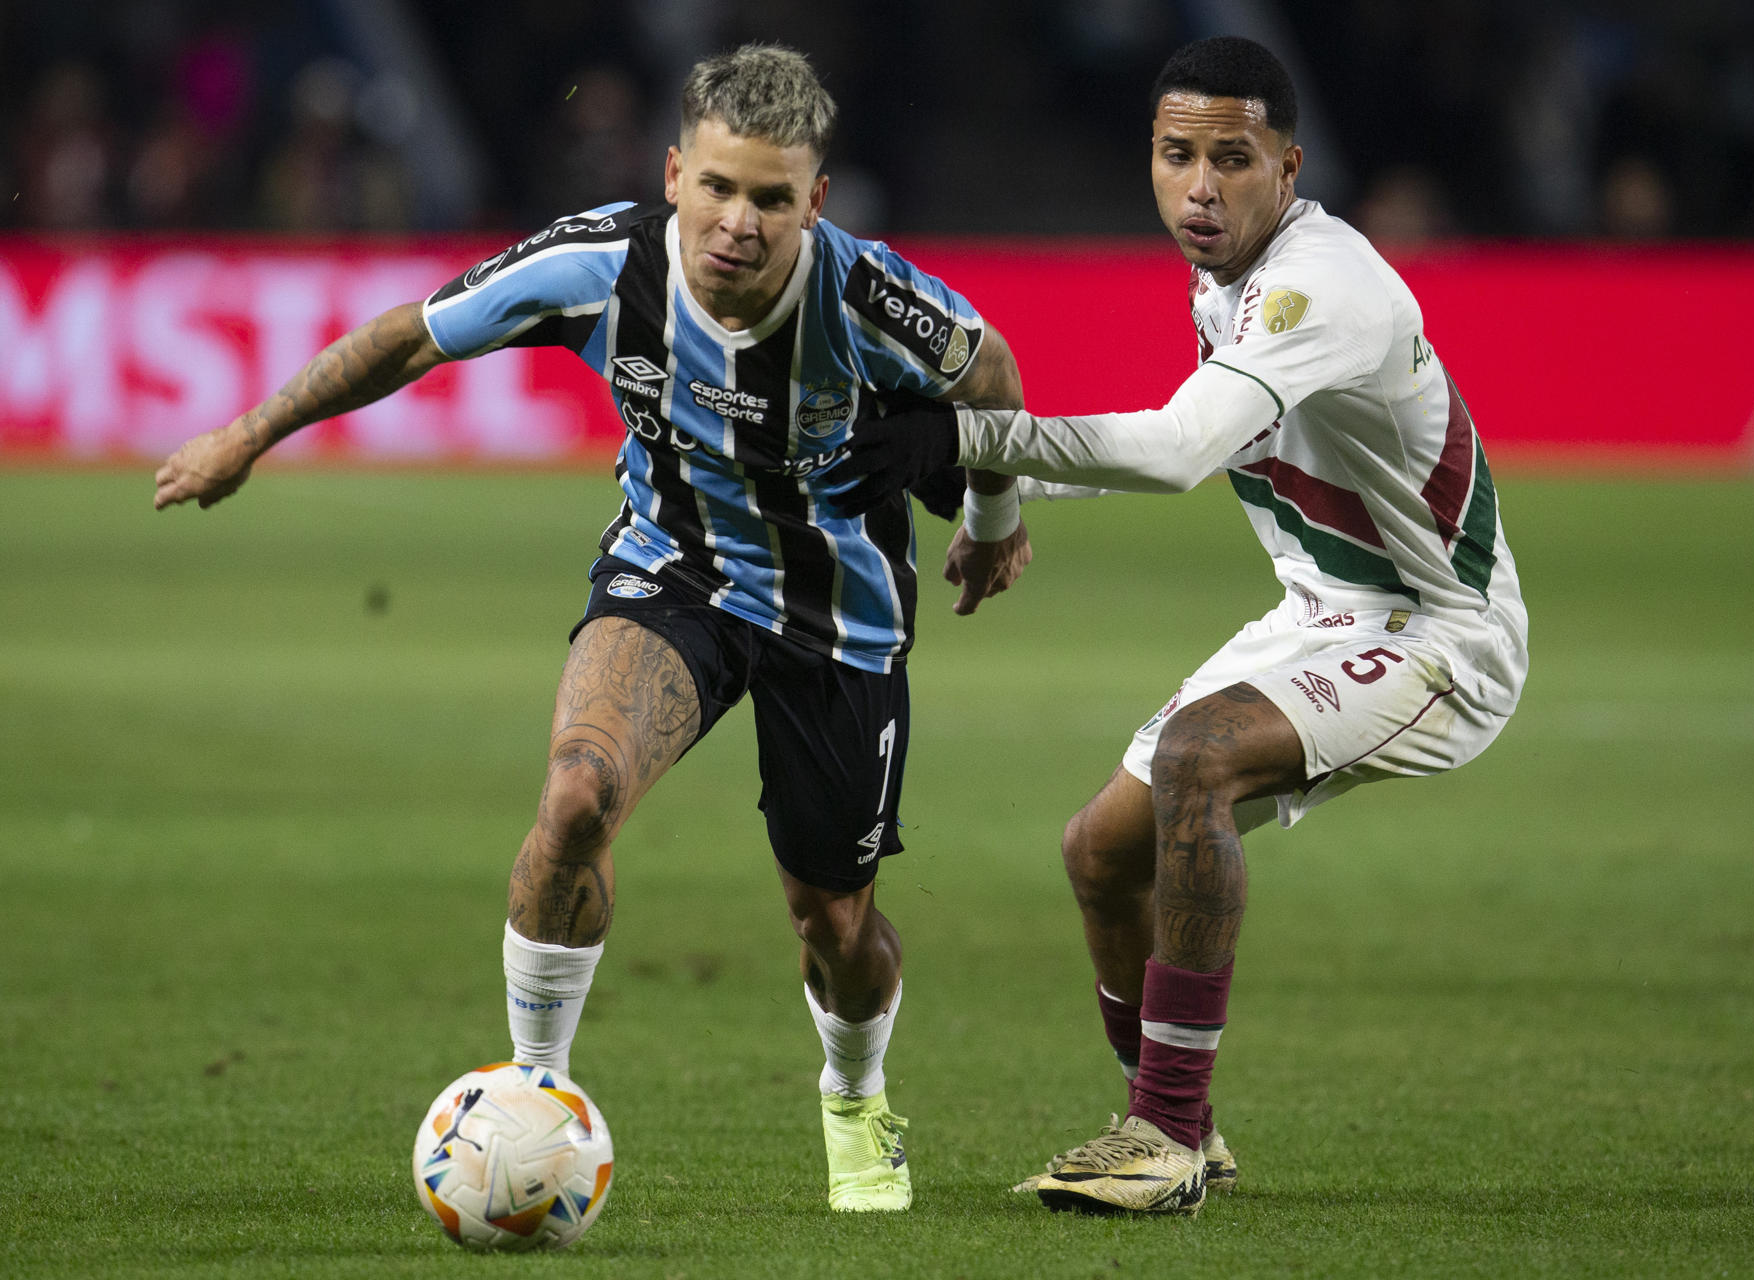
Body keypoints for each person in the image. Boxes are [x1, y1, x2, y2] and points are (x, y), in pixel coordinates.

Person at [153, 44, 1029, 1214]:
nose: (739, 221)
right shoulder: (600, 265)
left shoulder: (869, 298)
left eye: (773, 197)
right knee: (576, 797)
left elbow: (992, 374)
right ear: (674, 175)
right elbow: (414, 333)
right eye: (718, 186)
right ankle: (534, 1093)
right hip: (671, 575)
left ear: (815, 204)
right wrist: (246, 435)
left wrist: (992, 516)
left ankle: (855, 1092)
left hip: (841, 621)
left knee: (836, 922)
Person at [835, 35, 1528, 1215]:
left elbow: (1178, 449)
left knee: (1198, 757)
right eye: (1175, 156)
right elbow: (1191, 438)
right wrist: (1007, 494)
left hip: (1435, 634)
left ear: (1289, 166)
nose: (1200, 187)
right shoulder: (1226, 280)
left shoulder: (1324, 286)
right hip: (1319, 612)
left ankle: (1160, 1131)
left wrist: (971, 441)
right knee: (1100, 851)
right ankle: (1180, 1127)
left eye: (1231, 158)